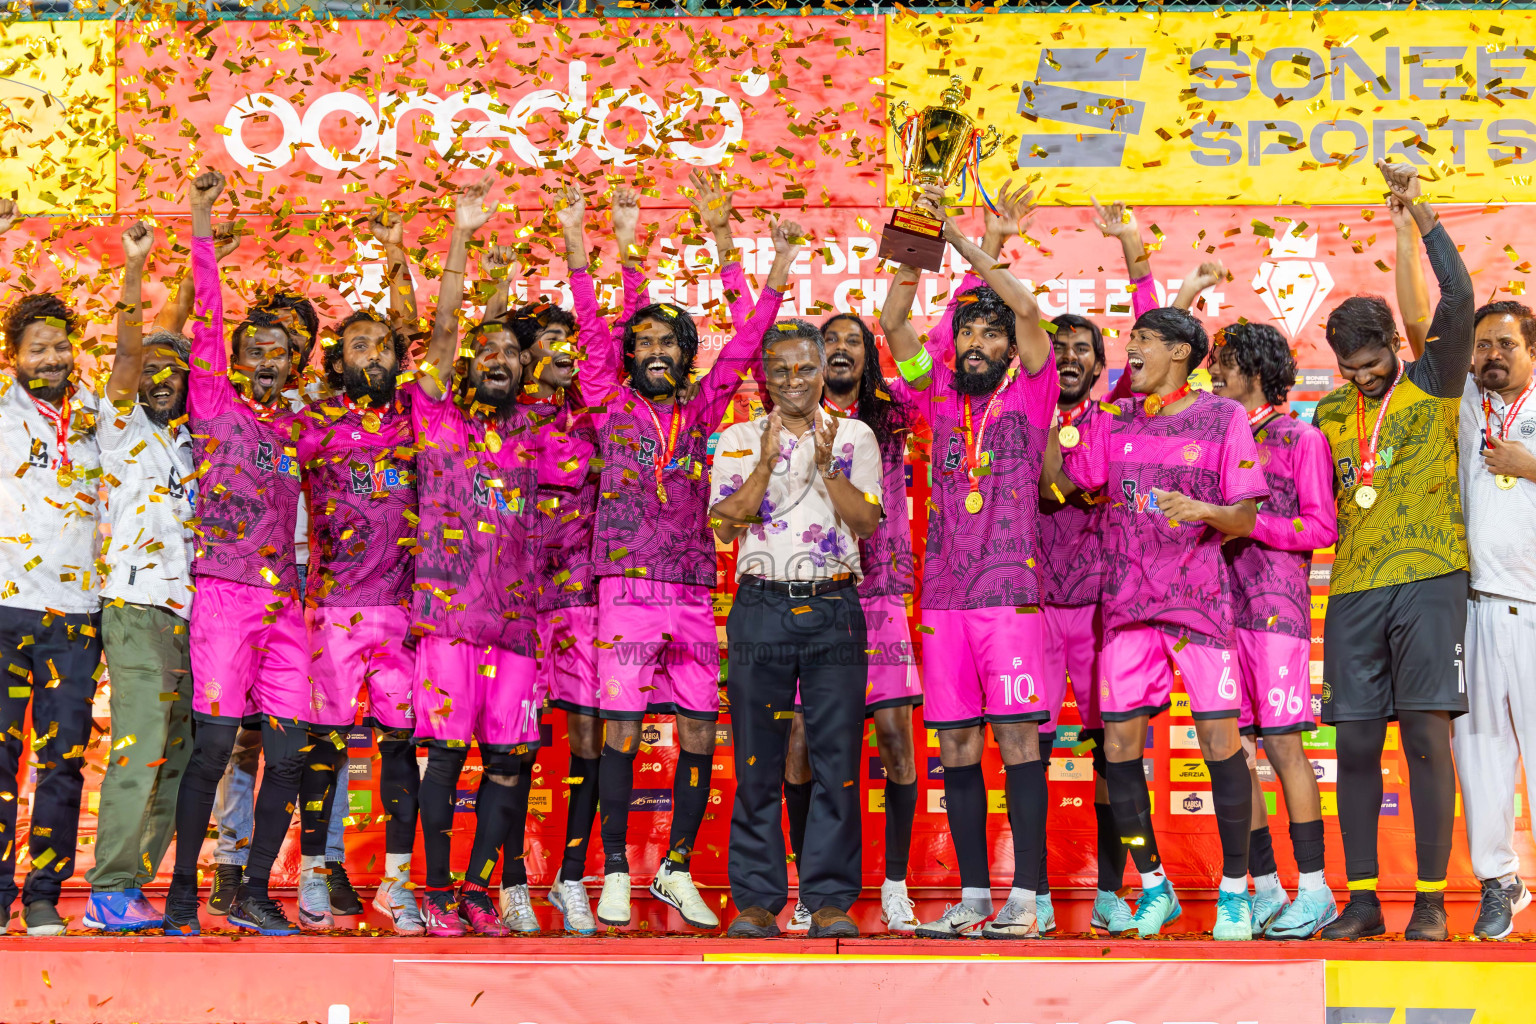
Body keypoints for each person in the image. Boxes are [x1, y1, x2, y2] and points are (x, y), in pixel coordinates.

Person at [575, 175, 795, 931]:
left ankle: (674, 869)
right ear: (629, 352)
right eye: (644, 341)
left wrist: (762, 270)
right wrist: (611, 242)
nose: (656, 351)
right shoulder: (607, 400)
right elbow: (590, 327)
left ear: (685, 353)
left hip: (696, 588)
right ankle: (611, 871)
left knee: (702, 731)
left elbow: (749, 348)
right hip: (626, 588)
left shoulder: (705, 408)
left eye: (670, 342)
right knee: (624, 731)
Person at [1048, 296, 1269, 940]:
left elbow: (1246, 518)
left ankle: (1234, 891)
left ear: (1180, 353)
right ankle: (1154, 884)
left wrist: (1202, 511)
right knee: (1118, 749)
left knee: (1220, 745)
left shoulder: (1224, 417)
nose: (1130, 347)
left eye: (1142, 337)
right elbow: (1067, 478)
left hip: (1199, 607)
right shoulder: (1115, 421)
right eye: (1130, 337)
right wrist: (1038, 403)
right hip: (1125, 608)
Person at [879, 181, 1060, 939]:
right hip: (946, 601)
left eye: (993, 335)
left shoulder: (1034, 393)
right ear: (955, 347)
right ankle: (977, 895)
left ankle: (1036, 896)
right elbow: (892, 319)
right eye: (969, 336)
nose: (981, 344)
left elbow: (1024, 310)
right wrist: (921, 230)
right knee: (955, 744)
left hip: (1012, 599)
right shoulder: (932, 399)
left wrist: (971, 242)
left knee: (1018, 743)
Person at [1313, 161, 1473, 942]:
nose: (1363, 379)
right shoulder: (1328, 410)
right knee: (1351, 742)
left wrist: (1423, 217)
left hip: (1431, 577)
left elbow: (1460, 299)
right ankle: (1365, 899)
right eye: (1350, 369)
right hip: (1352, 590)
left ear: (1394, 350)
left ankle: (1435, 901)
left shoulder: (1436, 380)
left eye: (1373, 364)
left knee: (1424, 737)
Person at [162, 170, 317, 936]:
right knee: (215, 747)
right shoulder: (213, 401)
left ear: (294, 362)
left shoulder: (304, 426)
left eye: (278, 350)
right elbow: (209, 316)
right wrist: (200, 219)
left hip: (287, 605)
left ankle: (256, 891)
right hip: (222, 593)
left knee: (288, 755)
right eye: (252, 347)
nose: (264, 357)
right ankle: (185, 893)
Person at [482, 211, 643, 934]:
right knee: (509, 748)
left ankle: (570, 877)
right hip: (510, 606)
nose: (567, 355)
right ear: (520, 356)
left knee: (587, 739)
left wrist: (623, 245)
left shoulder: (598, 416)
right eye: (548, 345)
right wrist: (488, 282)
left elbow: (630, 343)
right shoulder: (493, 418)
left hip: (580, 600)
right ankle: (511, 878)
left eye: (571, 345)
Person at [711, 319, 884, 939]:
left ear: (821, 371)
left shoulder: (856, 434)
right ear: (765, 375)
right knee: (758, 757)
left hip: (834, 608)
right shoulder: (736, 438)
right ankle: (757, 903)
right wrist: (763, 463)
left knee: (837, 757)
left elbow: (865, 522)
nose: (792, 381)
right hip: (760, 607)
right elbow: (727, 521)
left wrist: (826, 462)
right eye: (779, 370)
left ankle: (831, 900)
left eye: (804, 369)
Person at [408, 173, 542, 938]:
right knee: (447, 759)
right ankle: (432, 889)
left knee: (508, 763)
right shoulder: (436, 417)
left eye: (508, 354)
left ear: (523, 370)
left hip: (518, 626)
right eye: (482, 352)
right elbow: (451, 331)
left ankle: (480, 890)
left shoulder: (535, 431)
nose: (494, 359)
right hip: (450, 621)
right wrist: (462, 236)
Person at [288, 220, 422, 932]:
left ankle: (397, 885)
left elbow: (416, 325)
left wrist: (398, 255)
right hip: (331, 610)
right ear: (337, 361)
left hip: (405, 613)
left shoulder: (418, 420)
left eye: (384, 345)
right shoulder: (312, 425)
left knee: (400, 749)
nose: (373, 353)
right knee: (326, 746)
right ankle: (313, 871)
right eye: (357, 345)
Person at [779, 311, 923, 934]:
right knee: (802, 745)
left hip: (882, 594)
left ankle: (895, 885)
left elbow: (927, 363)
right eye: (828, 341)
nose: (840, 350)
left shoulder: (895, 419)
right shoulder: (785, 422)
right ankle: (811, 888)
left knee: (895, 740)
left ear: (869, 356)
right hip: (814, 596)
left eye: (853, 342)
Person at [1204, 318, 1340, 939]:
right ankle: (1263, 889)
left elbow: (1320, 528)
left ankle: (1315, 892)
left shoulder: (1299, 438)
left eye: (1224, 362)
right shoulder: (1209, 436)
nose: (1212, 373)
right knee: (1235, 755)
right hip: (1213, 615)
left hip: (1277, 615)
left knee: (1284, 746)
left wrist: (1246, 525)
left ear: (1255, 370)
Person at [83, 223, 198, 932]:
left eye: (174, 369)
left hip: (192, 615)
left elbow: (172, 338)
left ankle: (133, 886)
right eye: (150, 368)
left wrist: (190, 292)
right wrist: (137, 266)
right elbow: (134, 349)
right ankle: (109, 886)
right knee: (139, 749)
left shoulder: (192, 444)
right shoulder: (122, 428)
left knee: (177, 758)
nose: (159, 376)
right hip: (133, 607)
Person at [0, 199, 104, 936]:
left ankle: (42, 892)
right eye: (38, 348)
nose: (53, 359)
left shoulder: (99, 413)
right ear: (13, 356)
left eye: (62, 347)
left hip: (77, 616)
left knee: (63, 765)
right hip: (4, 613)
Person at [1453, 300, 1536, 939]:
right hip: (1475, 605)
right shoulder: (1466, 403)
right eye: (1482, 345)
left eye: (1505, 343)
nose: (1491, 355)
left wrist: (1528, 465)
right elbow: (1435, 306)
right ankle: (1498, 881)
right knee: (1479, 752)